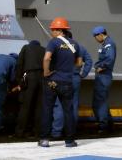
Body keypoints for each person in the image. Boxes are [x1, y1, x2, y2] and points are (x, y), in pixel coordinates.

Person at [39, 17, 82, 148]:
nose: (51, 32)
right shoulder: (75, 44)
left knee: (47, 109)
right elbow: (79, 63)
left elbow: (47, 58)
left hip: (52, 82)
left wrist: (46, 72)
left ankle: (45, 140)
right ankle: (69, 141)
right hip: (67, 82)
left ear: (58, 30)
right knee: (68, 111)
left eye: (52, 29)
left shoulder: (53, 42)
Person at [51, 30, 93, 140]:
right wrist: (83, 74)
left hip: (61, 78)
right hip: (75, 78)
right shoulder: (79, 47)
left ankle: (56, 132)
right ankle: (71, 131)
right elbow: (89, 60)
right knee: (73, 105)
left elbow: (49, 60)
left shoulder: (57, 46)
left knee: (59, 104)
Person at [13, 39, 46, 139]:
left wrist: (19, 80)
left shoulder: (26, 48)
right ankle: (38, 133)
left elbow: (19, 64)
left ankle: (20, 132)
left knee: (26, 106)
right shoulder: (44, 49)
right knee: (39, 107)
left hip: (29, 77)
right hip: (42, 77)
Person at [92, 26, 117, 134]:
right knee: (101, 100)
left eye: (95, 36)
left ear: (100, 34)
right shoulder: (106, 44)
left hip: (104, 76)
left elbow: (110, 59)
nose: (95, 39)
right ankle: (109, 125)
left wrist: (101, 66)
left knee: (99, 102)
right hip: (103, 76)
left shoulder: (109, 44)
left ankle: (104, 126)